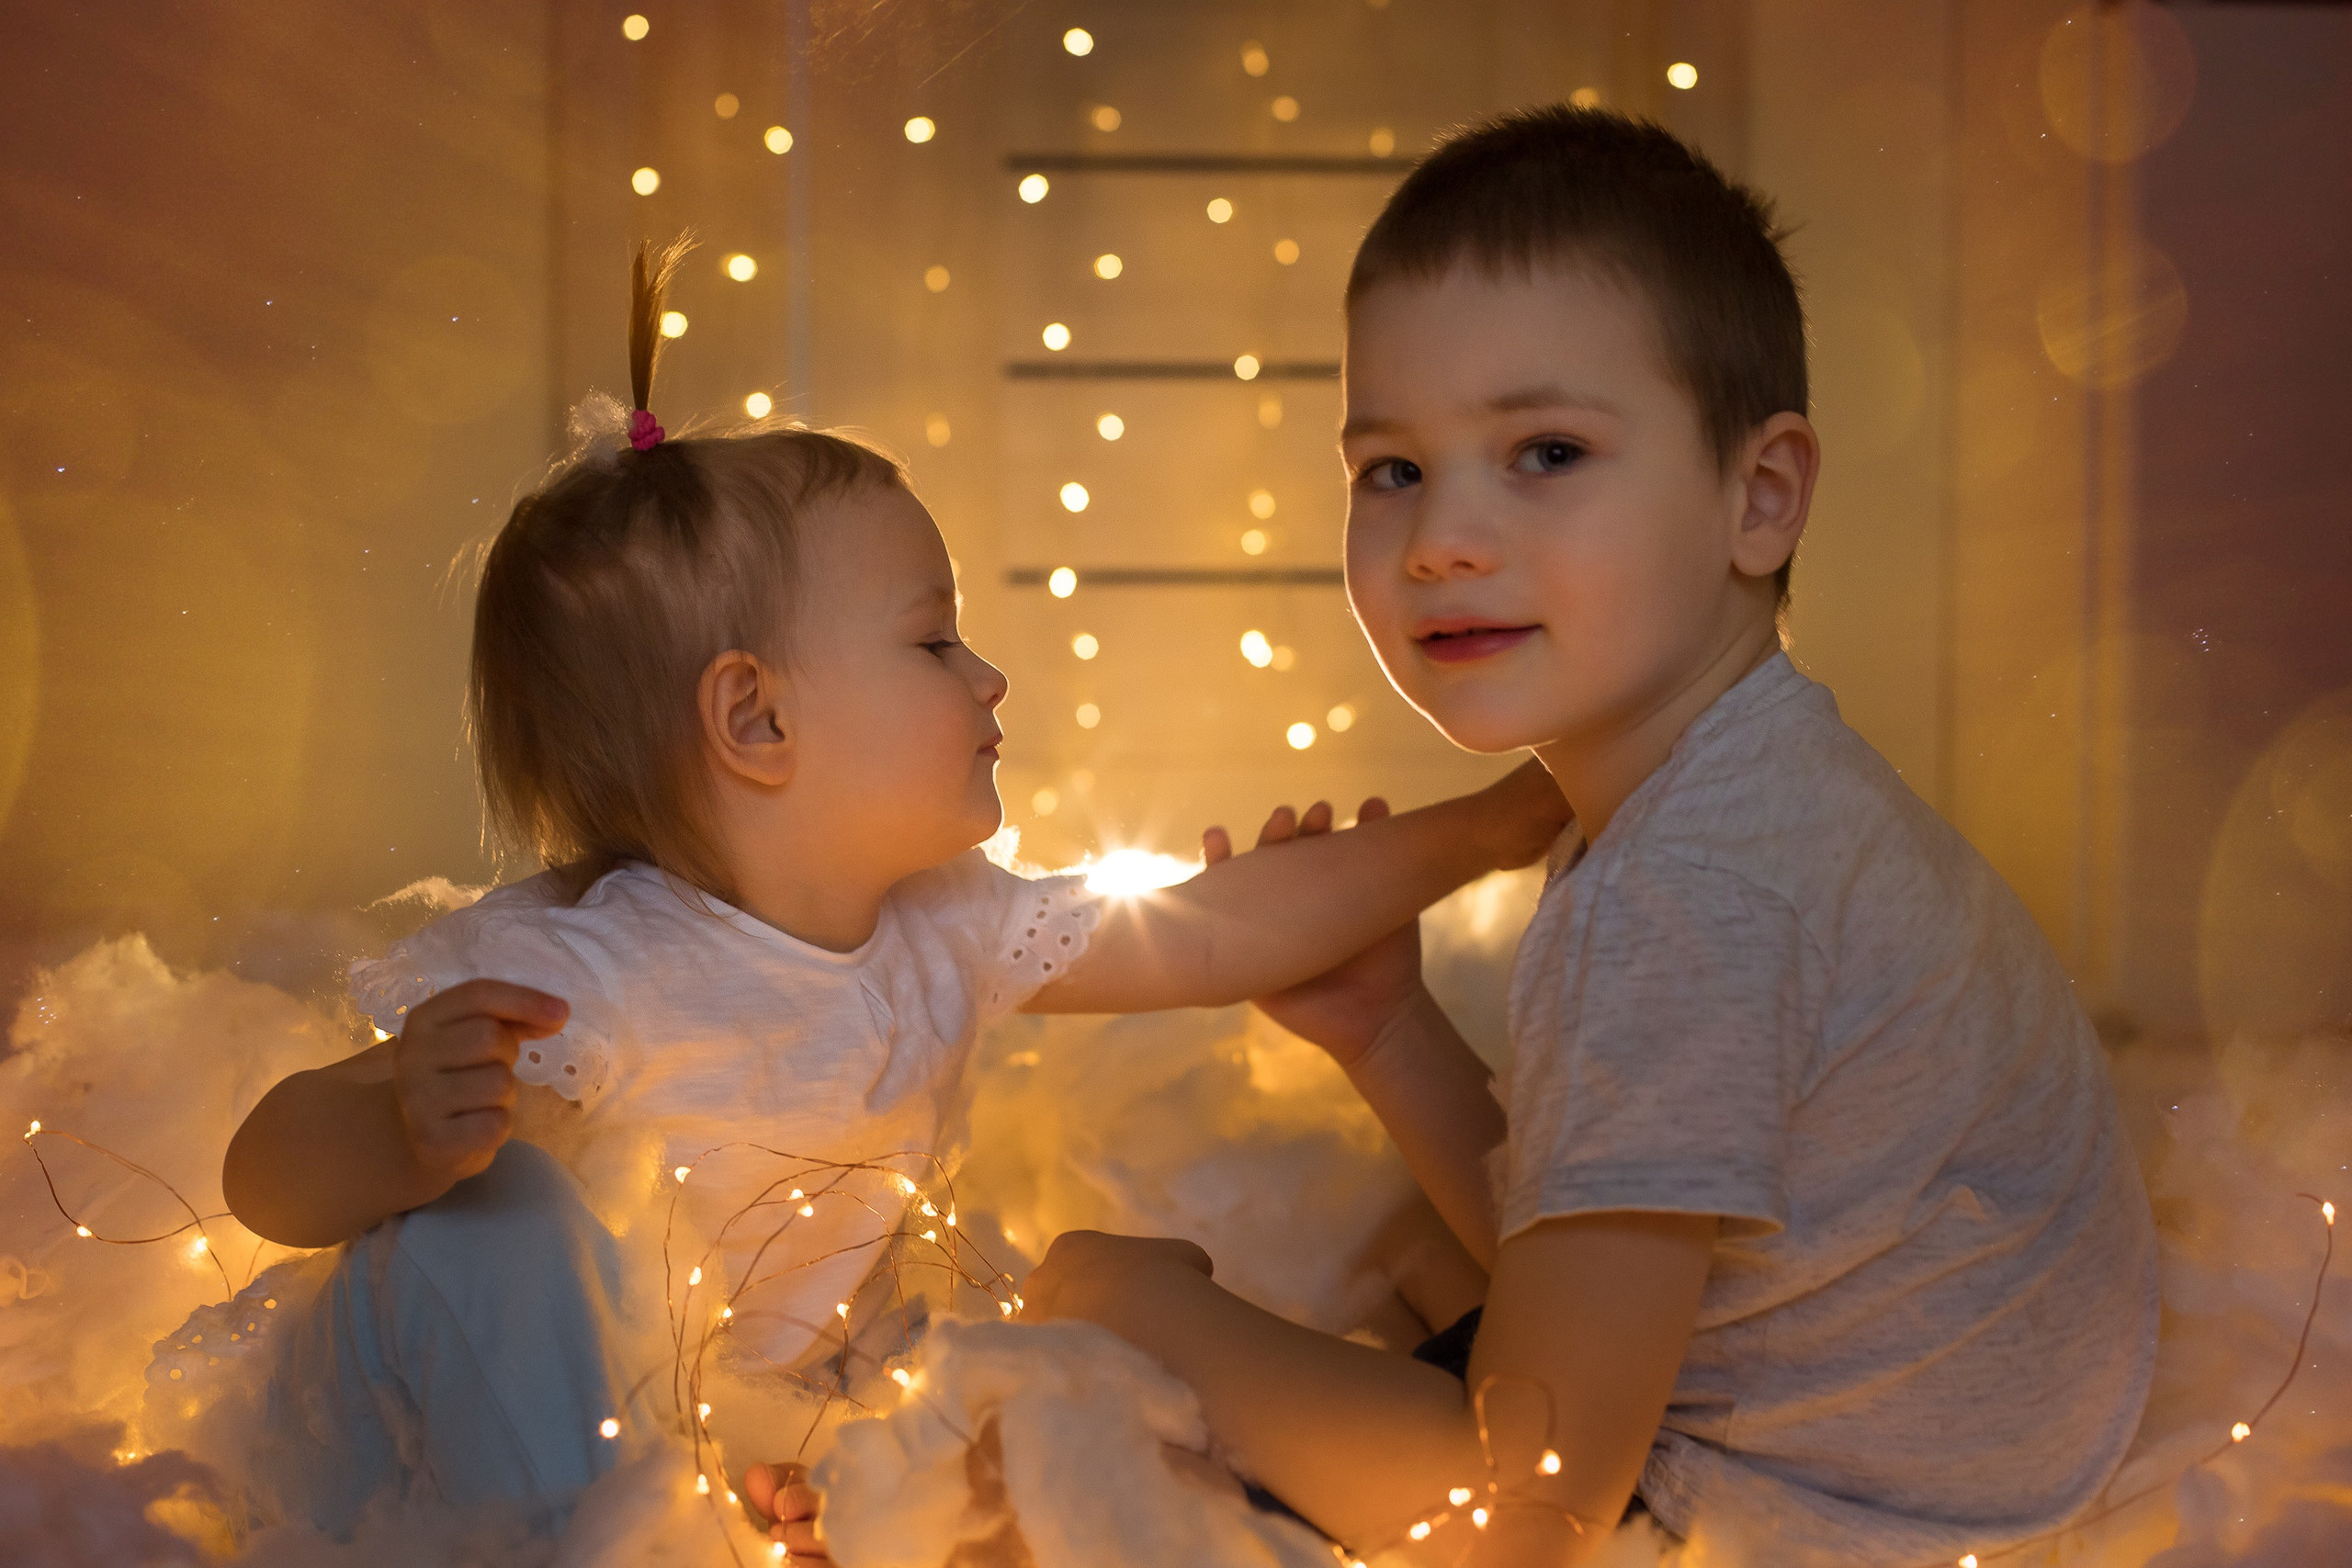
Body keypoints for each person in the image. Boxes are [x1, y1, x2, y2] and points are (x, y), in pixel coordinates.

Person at [218, 239, 1568, 1547]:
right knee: (501, 1226)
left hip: (711, 1393)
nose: (988, 679)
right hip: (434, 1425)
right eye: (934, 640)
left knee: (952, 1377)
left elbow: (1222, 928)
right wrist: (398, 1125)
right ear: (756, 722)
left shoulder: (948, 923)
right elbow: (262, 1172)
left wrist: (1500, 821)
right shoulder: (598, 974)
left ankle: (720, 1502)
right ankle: (601, 1536)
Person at [1019, 105, 2160, 1567]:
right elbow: (1636, 1220)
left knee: (1117, 1312)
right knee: (1413, 1274)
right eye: (1393, 470)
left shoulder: (1683, 892)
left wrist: (1129, 1312)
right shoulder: (1733, 782)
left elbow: (1525, 1519)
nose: (1442, 539)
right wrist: (1385, 1030)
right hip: (1927, 1432)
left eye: (1545, 451)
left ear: (1757, 497)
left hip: (1841, 1509)